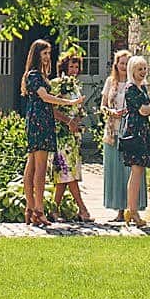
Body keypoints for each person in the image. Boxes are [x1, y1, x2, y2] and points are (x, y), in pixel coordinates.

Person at [20, 38, 81, 227]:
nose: (47, 57)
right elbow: (45, 97)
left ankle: (31, 209)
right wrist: (69, 103)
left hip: (41, 120)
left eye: (48, 53)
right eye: (44, 53)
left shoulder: (39, 76)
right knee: (39, 167)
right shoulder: (34, 75)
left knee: (33, 164)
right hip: (39, 121)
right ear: (37, 54)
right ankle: (38, 209)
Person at [49, 50, 93, 221]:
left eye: (76, 66)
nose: (74, 70)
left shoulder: (75, 86)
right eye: (71, 66)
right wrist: (68, 121)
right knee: (67, 172)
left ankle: (54, 209)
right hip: (61, 135)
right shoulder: (56, 84)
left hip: (73, 137)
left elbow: (79, 109)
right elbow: (51, 109)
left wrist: (78, 119)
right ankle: (83, 209)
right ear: (64, 67)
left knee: (65, 173)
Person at [100, 49, 143, 218]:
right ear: (116, 64)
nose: (124, 66)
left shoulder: (136, 83)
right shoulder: (111, 82)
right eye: (121, 63)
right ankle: (119, 210)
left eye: (127, 63)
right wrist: (110, 111)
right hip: (113, 131)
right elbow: (103, 105)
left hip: (131, 132)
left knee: (130, 171)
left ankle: (132, 209)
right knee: (116, 171)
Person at [117, 54, 150, 225]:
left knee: (139, 171)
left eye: (144, 69)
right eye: (139, 69)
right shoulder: (131, 88)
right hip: (135, 132)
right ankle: (132, 210)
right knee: (136, 170)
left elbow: (147, 109)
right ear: (132, 70)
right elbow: (143, 110)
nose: (143, 72)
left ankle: (132, 210)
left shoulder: (142, 88)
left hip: (143, 131)